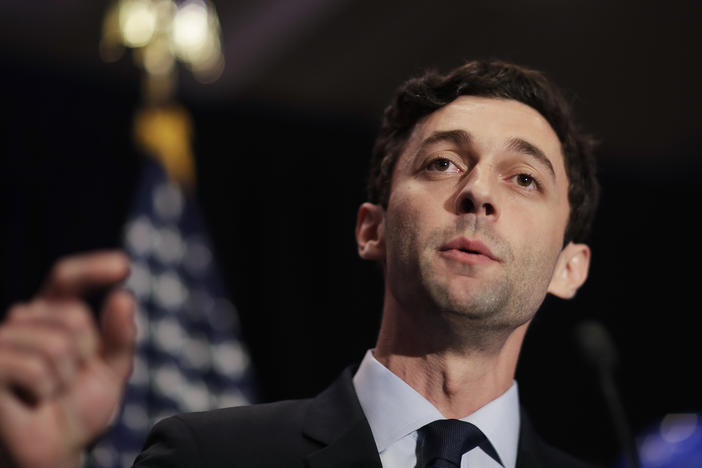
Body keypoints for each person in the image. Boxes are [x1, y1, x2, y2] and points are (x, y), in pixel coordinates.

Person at [0, 59, 598, 468]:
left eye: (523, 178)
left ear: (568, 267)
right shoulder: (212, 458)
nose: (478, 193)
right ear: (373, 230)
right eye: (442, 163)